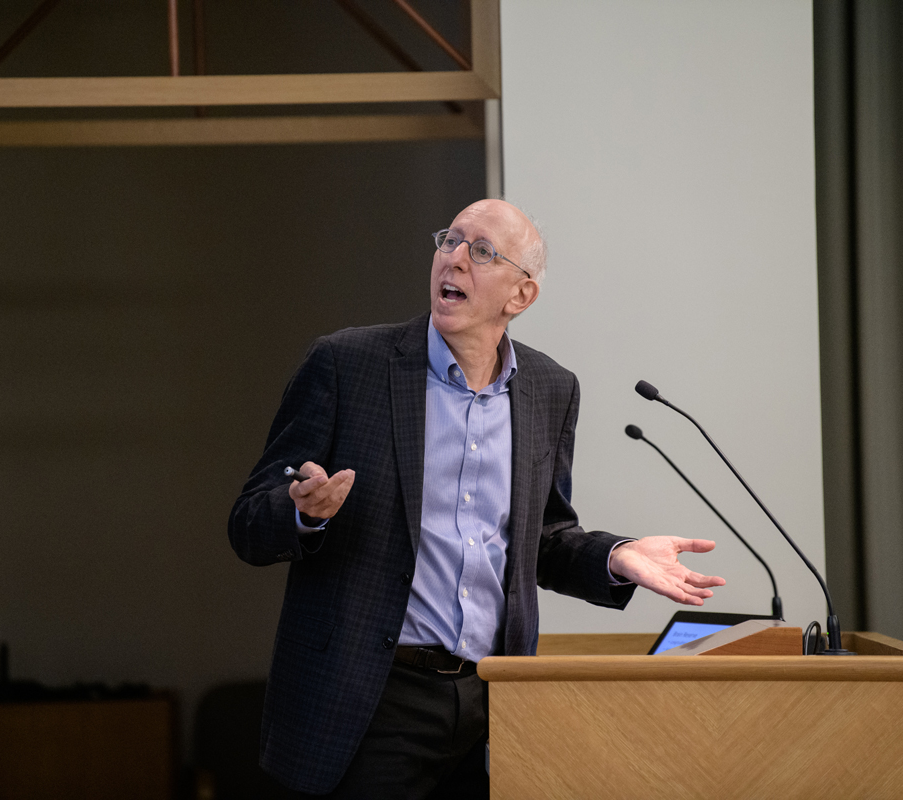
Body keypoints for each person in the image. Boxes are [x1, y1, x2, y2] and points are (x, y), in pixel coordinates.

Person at [228, 199, 725, 798]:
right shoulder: (346, 364)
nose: (455, 260)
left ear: (521, 296)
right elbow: (249, 520)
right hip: (371, 697)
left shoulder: (550, 389)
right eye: (450, 242)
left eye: (482, 251)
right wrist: (302, 513)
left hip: (489, 702)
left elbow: (544, 539)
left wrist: (617, 557)